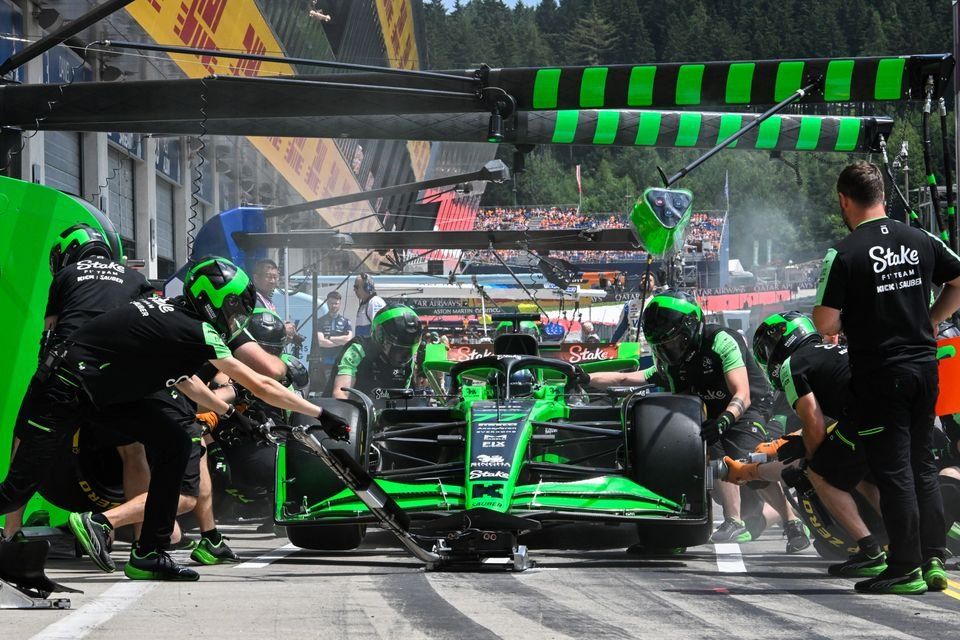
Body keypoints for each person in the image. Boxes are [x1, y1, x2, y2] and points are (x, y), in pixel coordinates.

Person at [0, 257, 340, 581]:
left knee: (175, 441)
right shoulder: (195, 329)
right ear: (213, 299)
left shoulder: (174, 313)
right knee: (16, 491)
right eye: (235, 308)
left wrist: (232, 416)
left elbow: (185, 381)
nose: (236, 320)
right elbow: (261, 383)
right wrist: (321, 414)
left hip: (100, 395)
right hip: (64, 389)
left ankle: (149, 553)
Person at [813, 160, 960, 593]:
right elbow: (957, 280)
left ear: (844, 200)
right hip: (924, 369)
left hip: (880, 373)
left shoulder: (843, 253)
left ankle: (903, 568)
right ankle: (934, 559)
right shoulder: (918, 237)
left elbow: (824, 323)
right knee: (922, 465)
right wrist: (931, 320)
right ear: (882, 196)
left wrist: (853, 319)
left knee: (893, 470)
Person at [589, 291, 809, 553]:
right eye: (662, 346)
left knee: (745, 460)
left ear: (690, 329)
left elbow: (743, 394)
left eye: (673, 344)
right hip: (709, 416)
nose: (669, 351)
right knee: (701, 456)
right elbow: (626, 379)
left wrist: (724, 421)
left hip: (750, 408)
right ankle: (706, 523)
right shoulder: (668, 364)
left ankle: (792, 524)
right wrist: (583, 377)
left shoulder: (721, 340)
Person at [3, 224, 155, 539]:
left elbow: (50, 331)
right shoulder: (136, 278)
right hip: (117, 374)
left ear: (68, 252)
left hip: (67, 368)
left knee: (24, 440)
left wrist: (43, 382)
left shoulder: (66, 276)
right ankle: (143, 540)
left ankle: (11, 529)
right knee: (133, 450)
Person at [746, 311, 885, 576]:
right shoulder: (834, 348)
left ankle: (870, 551)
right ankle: (904, 546)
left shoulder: (793, 364)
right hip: (890, 411)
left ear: (784, 341)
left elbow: (814, 423)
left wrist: (807, 458)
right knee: (861, 476)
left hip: (863, 417)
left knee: (820, 472)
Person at [327, 304, 421, 407]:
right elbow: (341, 394)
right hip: (353, 413)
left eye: (408, 350)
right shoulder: (357, 349)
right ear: (380, 336)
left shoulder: (408, 359)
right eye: (397, 349)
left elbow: (406, 399)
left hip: (388, 416)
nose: (402, 356)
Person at [314, 291, 354, 389]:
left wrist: (330, 338)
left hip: (342, 362)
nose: (334, 306)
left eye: (336, 303)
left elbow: (348, 339)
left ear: (340, 304)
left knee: (341, 388)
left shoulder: (346, 322)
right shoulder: (320, 321)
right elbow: (321, 342)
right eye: (331, 303)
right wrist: (340, 341)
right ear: (327, 303)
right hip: (326, 362)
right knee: (329, 387)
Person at [353, 273, 386, 338]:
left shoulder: (375, 302)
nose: (354, 290)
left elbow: (379, 329)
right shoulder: (364, 304)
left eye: (357, 287)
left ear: (367, 287)